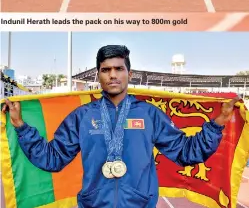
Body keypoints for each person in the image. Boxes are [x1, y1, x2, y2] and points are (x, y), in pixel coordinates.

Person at [3, 45, 239, 208]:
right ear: (98, 75)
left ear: (129, 74)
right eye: (106, 70)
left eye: (119, 69)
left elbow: (186, 152)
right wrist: (20, 125)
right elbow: (52, 158)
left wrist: (217, 123)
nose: (112, 75)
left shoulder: (149, 115)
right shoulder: (82, 116)